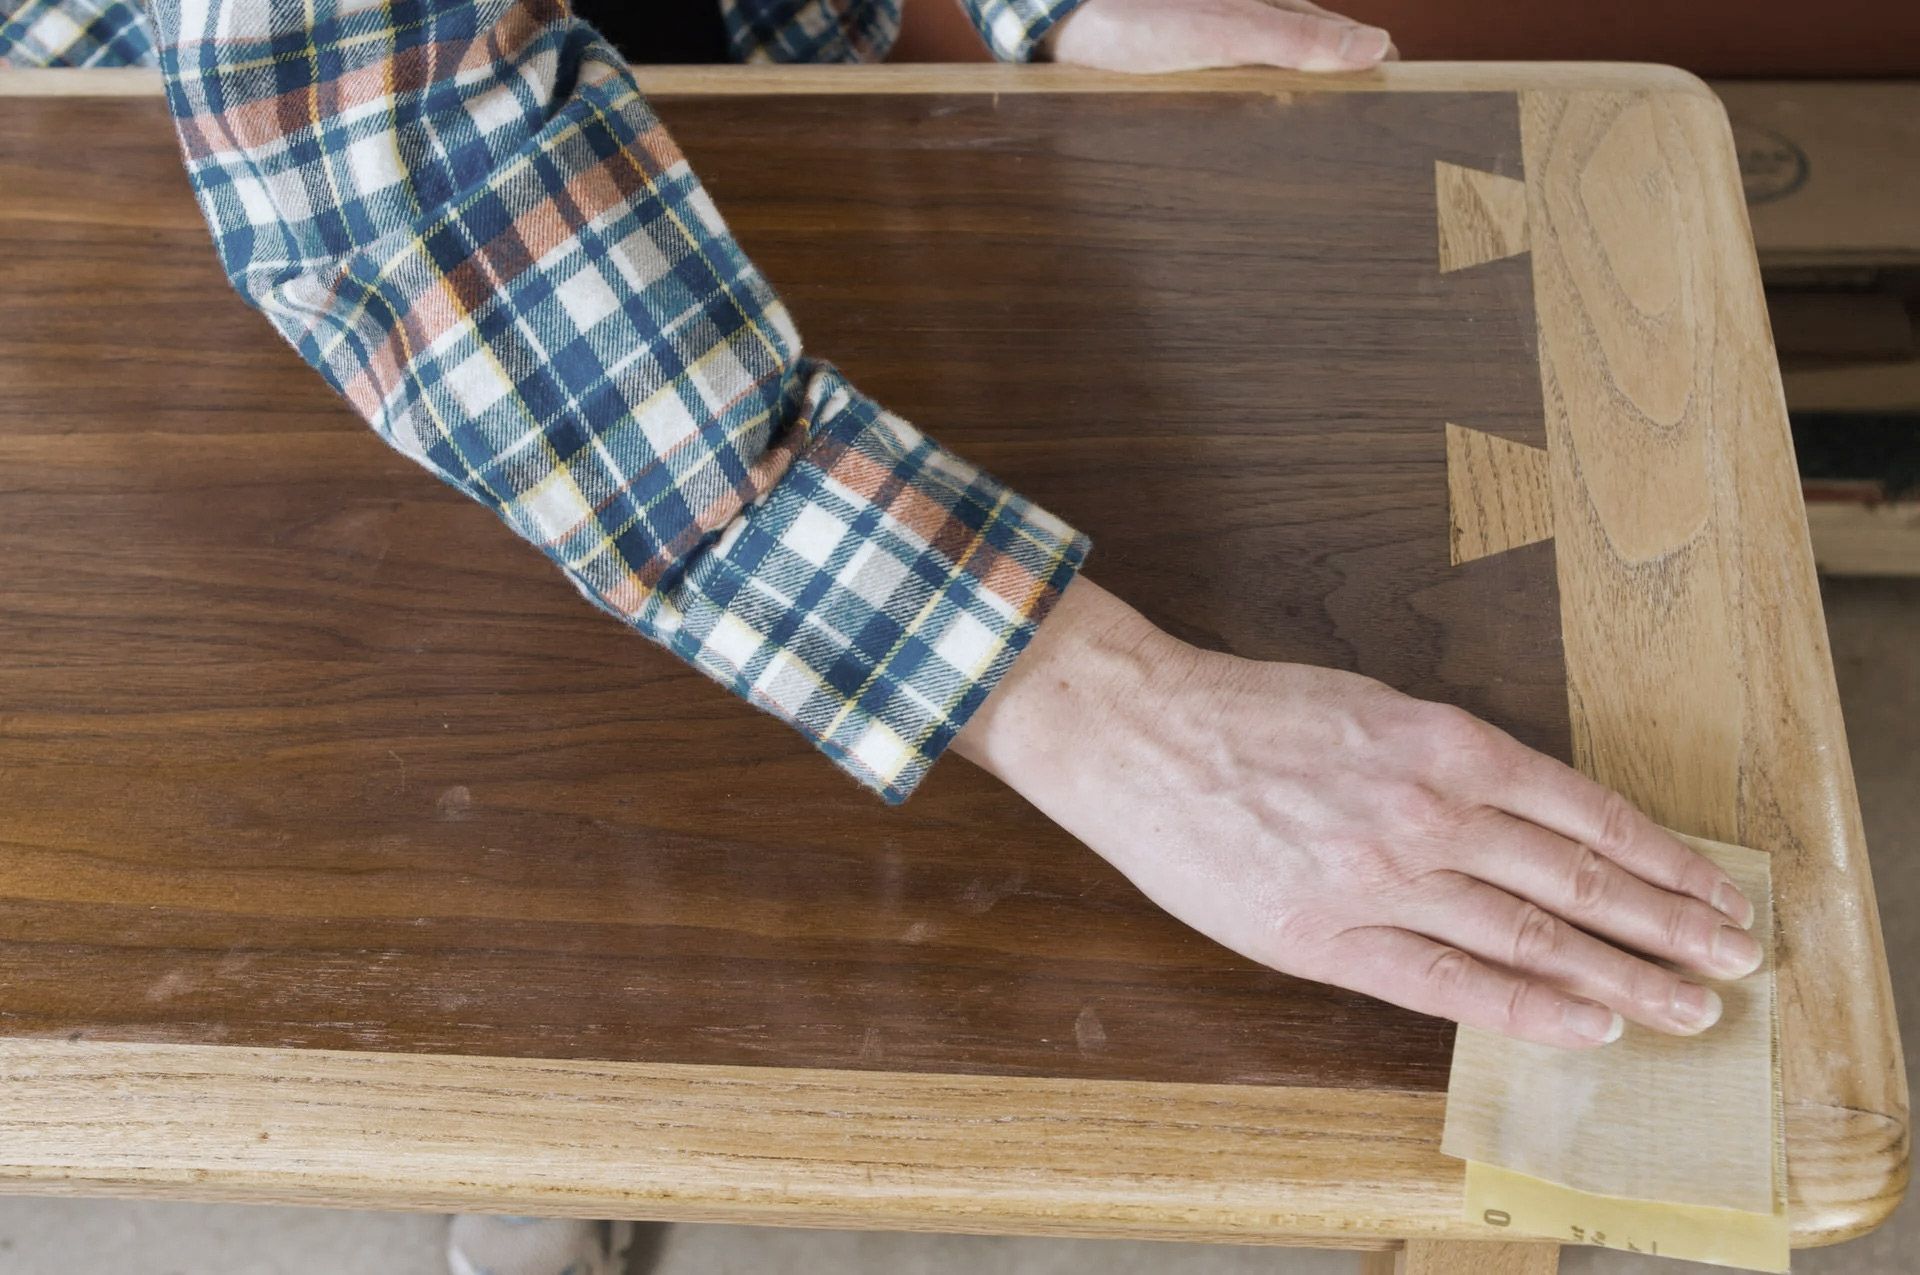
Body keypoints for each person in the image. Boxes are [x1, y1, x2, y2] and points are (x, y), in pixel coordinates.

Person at [1, 2, 1765, 1272]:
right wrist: (1104, 701)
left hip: (747, 107)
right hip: (188, 187)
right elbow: (406, 176)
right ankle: (558, 1122)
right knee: (477, 813)